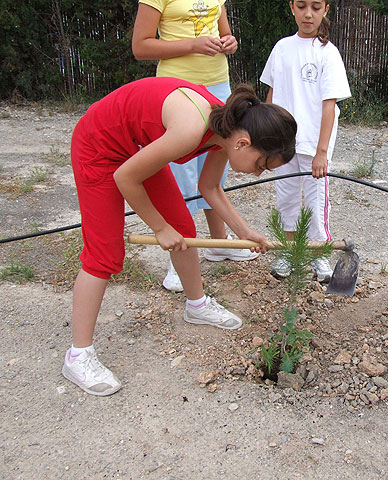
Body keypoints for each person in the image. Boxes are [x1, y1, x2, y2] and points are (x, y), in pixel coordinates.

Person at [63, 78, 297, 396]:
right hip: (99, 146)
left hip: (136, 147)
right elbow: (125, 177)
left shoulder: (225, 131)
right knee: (104, 253)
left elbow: (209, 187)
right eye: (261, 165)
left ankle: (196, 305)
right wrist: (159, 228)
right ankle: (78, 355)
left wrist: (244, 232)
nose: (258, 173)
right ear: (243, 143)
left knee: (184, 231)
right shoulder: (191, 128)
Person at [132, 0, 258, 294]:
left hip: (217, 84)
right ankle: (178, 261)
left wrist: (230, 43)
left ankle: (219, 243)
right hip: (176, 89)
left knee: (214, 168)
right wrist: (192, 45)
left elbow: (226, 34)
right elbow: (141, 47)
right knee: (180, 178)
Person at [260, 0, 351, 282]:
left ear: (325, 9)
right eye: (301, 6)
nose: (307, 14)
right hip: (283, 143)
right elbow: (272, 96)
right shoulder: (282, 48)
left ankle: (319, 254)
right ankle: (288, 252)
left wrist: (321, 151)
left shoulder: (327, 53)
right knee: (286, 197)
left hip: (314, 144)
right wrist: (268, 138)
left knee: (315, 201)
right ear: (291, 8)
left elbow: (329, 105)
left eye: (315, 7)